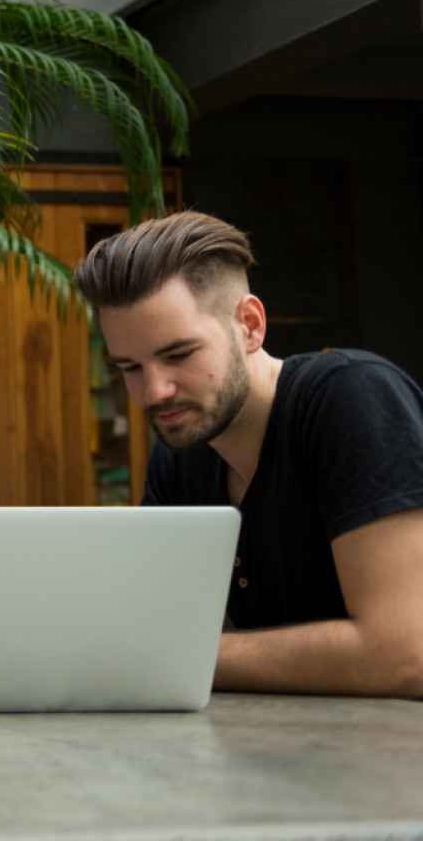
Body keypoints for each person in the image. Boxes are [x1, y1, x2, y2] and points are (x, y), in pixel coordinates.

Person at [76, 211, 423, 697]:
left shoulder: (350, 398)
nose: (155, 392)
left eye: (179, 355)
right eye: (130, 367)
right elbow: (143, 634)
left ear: (250, 325)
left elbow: (406, 654)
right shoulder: (182, 456)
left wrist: (179, 655)